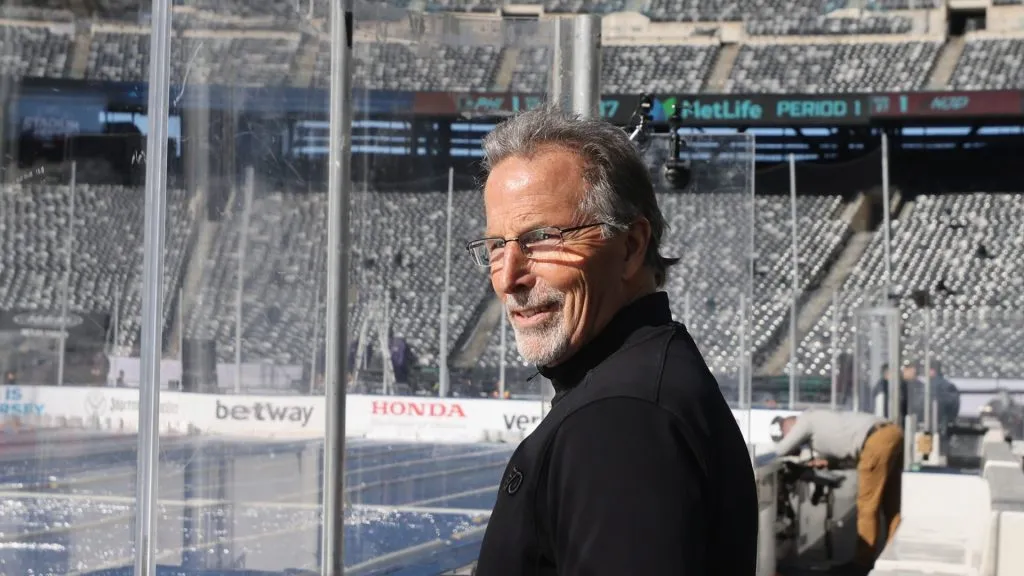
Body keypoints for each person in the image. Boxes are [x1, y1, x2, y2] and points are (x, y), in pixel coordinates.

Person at [471, 107, 757, 575]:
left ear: (629, 246)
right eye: (496, 246)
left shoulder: (620, 420)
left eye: (541, 238)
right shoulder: (639, 381)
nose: (508, 277)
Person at [772, 410, 903, 573]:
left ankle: (862, 563)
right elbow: (844, 446)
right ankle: (891, 555)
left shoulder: (805, 421)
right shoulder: (819, 420)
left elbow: (780, 451)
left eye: (787, 434)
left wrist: (784, 452)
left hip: (875, 440)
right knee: (890, 503)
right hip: (892, 432)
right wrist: (825, 462)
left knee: (867, 506)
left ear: (791, 427)